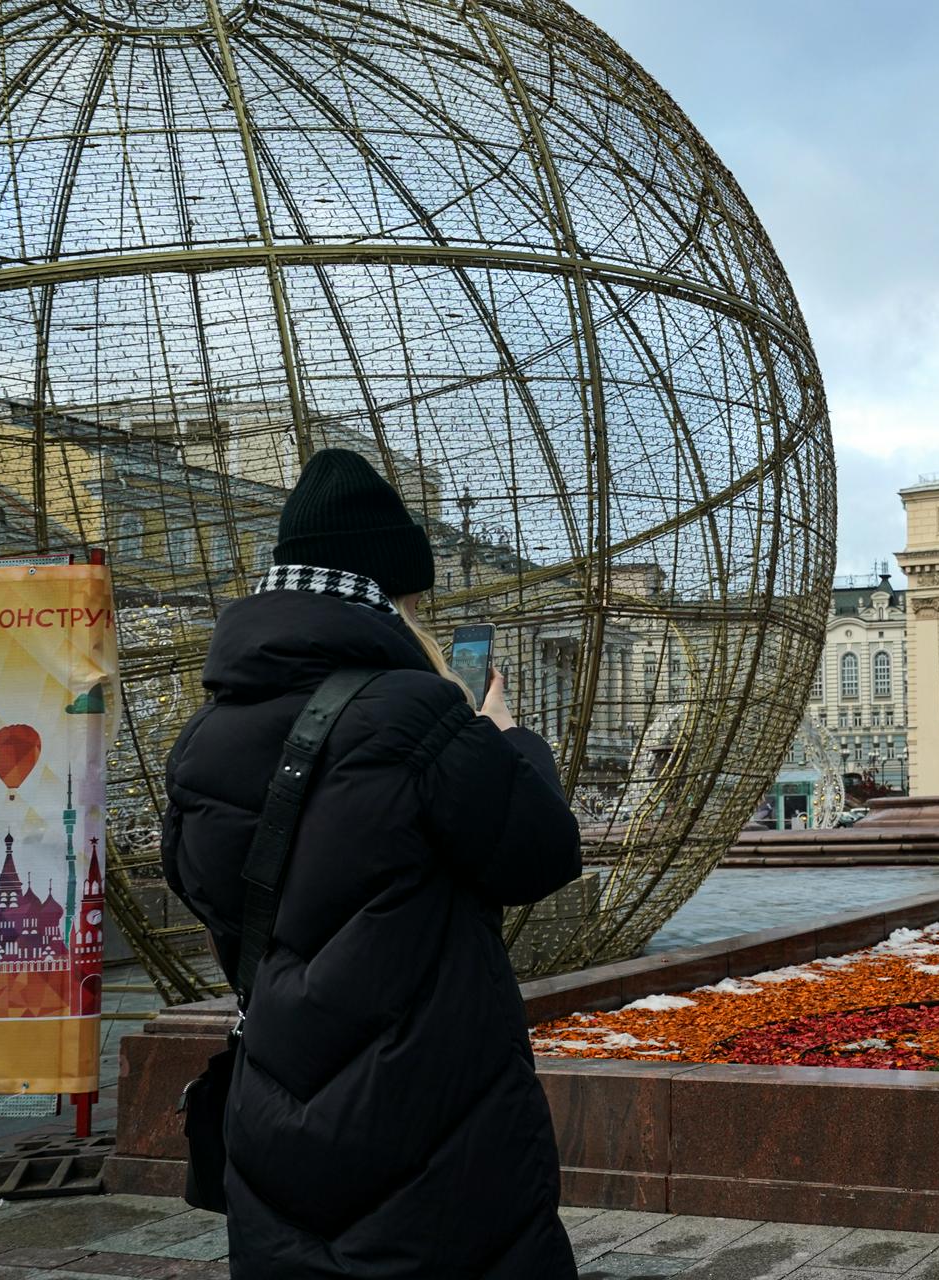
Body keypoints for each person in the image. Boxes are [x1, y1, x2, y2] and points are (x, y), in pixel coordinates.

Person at [160, 450, 582, 1278]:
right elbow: (539, 851)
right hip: (432, 1118)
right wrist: (504, 738)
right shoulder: (417, 713)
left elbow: (201, 887)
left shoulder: (204, 734)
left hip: (275, 1113)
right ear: (392, 593)